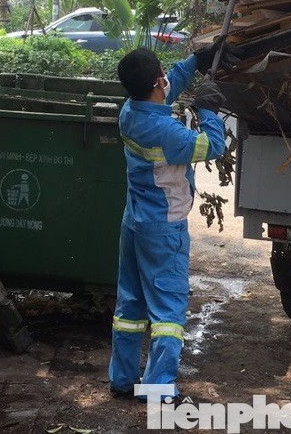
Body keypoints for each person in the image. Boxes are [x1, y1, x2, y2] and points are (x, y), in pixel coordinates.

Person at [108, 44, 233, 402]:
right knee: (168, 312)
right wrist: (208, 108)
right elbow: (211, 147)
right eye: (164, 75)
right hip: (164, 230)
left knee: (130, 306)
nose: (167, 79)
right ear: (156, 81)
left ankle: (123, 379)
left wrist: (196, 61)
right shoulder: (168, 134)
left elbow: (168, 88)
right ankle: (159, 390)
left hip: (134, 223)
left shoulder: (131, 111)